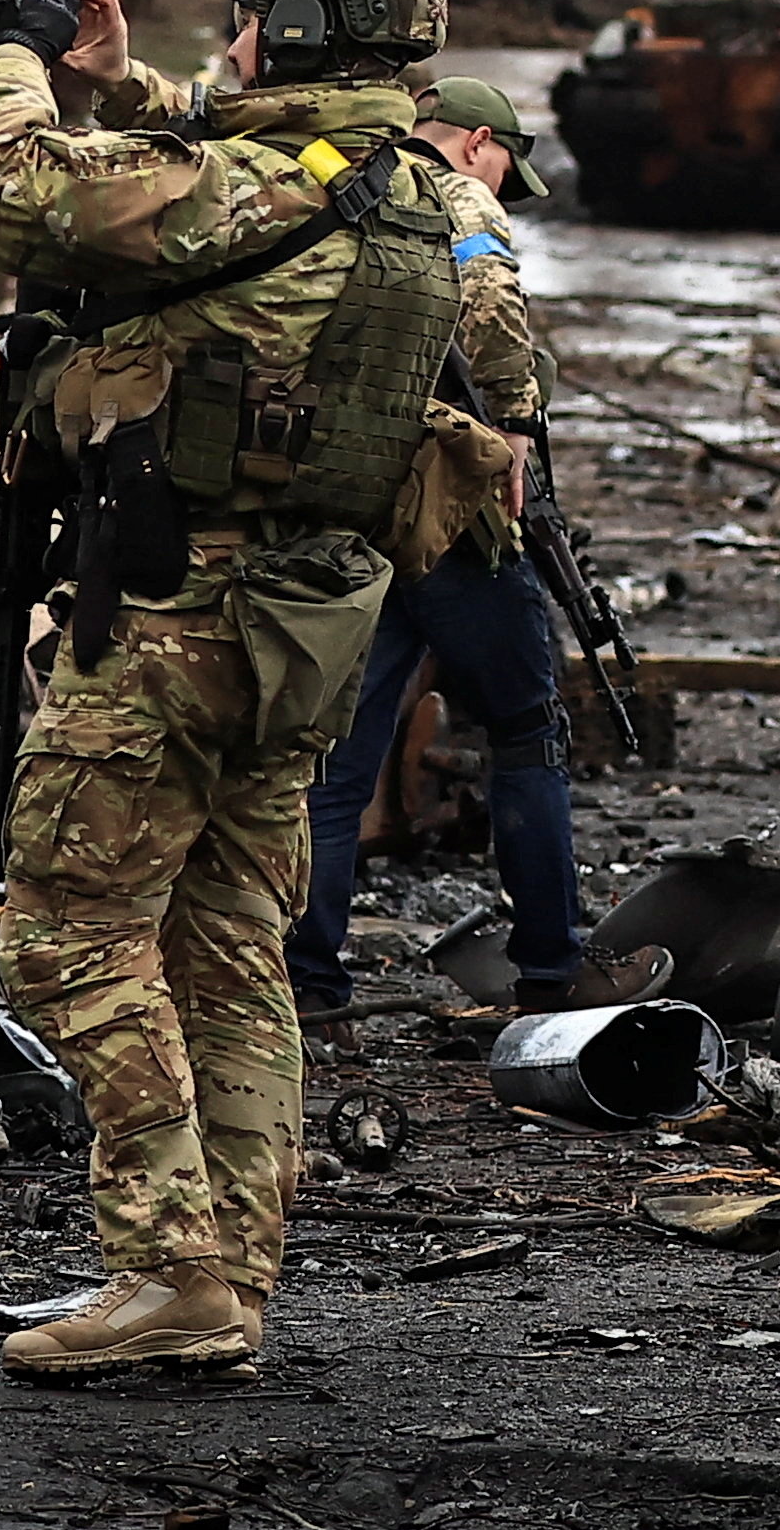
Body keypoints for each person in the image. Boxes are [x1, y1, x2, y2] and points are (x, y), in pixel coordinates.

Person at [0, 0, 487, 1383]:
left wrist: (18, 56)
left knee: (61, 928)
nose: (231, 40)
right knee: (227, 948)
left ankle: (166, 1263)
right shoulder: (415, 194)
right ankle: (224, 1277)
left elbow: (9, 194)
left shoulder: (256, 188)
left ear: (301, 25)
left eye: (252, 15)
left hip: (173, 619)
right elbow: (222, 158)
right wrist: (122, 82)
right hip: (305, 627)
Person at [282, 77, 674, 1020]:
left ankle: (305, 980)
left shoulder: (330, 184)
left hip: (344, 508)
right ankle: (551, 967)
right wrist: (521, 429)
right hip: (455, 518)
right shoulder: (452, 197)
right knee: (525, 734)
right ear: (472, 143)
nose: (502, 188)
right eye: (503, 166)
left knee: (336, 758)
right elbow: (492, 304)